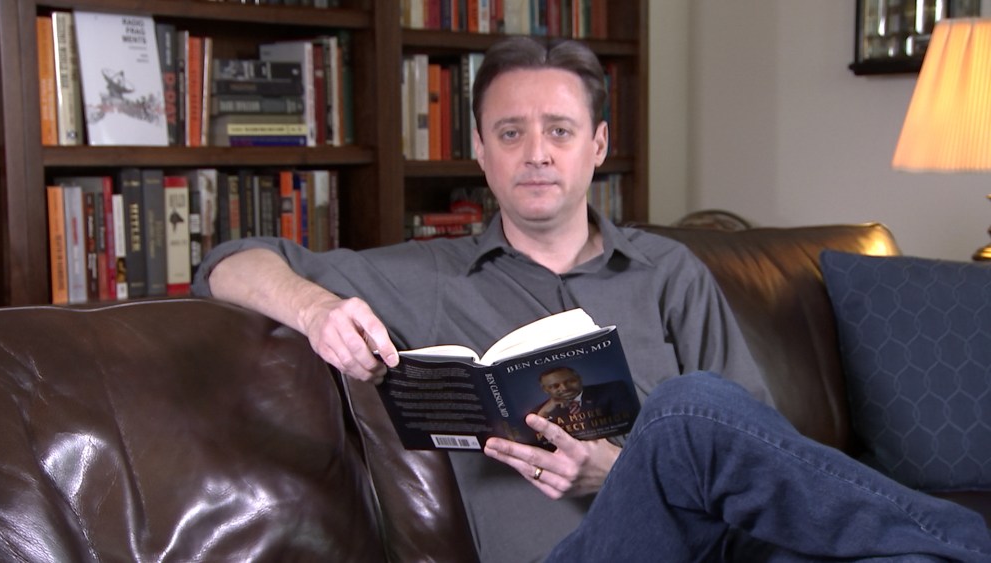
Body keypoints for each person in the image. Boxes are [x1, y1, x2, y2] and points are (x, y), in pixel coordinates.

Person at [192, 36, 991, 562]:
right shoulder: (422, 275)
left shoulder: (668, 270)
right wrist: (314, 310)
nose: (535, 153)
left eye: (560, 130)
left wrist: (618, 468)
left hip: (716, 547)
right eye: (510, 132)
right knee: (682, 408)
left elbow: (758, 447)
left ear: (598, 145)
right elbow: (227, 263)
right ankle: (970, 538)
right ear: (480, 151)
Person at [533, 365, 637, 423]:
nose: (564, 388)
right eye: (555, 386)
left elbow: (628, 421)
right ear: (545, 390)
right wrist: (542, 415)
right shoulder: (540, 411)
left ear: (580, 379)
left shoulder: (613, 390)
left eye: (570, 381)